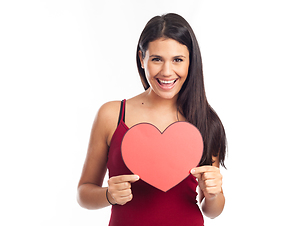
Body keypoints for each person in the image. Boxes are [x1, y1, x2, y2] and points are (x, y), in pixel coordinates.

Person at [77, 13, 227, 226]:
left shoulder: (205, 120)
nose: (167, 71)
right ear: (142, 59)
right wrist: (108, 195)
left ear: (190, 62)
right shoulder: (112, 115)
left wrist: (213, 194)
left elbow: (212, 210)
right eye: (157, 59)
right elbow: (83, 192)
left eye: (177, 60)